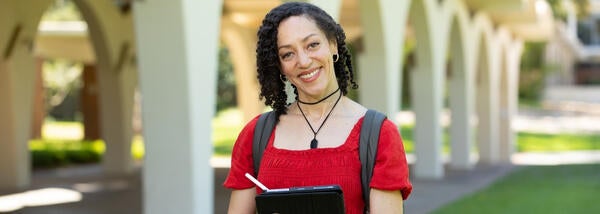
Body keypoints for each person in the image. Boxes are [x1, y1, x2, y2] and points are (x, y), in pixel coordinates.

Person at [224, 2, 412, 213]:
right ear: (280, 67)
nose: (303, 61)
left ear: (333, 45)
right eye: (288, 54)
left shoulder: (379, 135)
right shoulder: (255, 135)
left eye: (312, 45)